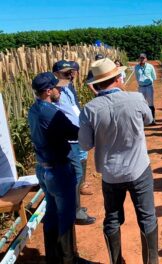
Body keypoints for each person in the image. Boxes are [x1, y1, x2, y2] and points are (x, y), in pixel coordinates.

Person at [78, 58, 158, 264]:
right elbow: (148, 120)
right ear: (116, 78)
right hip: (139, 169)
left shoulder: (90, 109)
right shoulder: (136, 98)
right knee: (147, 217)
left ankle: (117, 261)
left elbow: (85, 145)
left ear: (96, 84)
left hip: (111, 174)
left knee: (112, 219)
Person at [28, 72, 91, 264]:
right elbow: (75, 132)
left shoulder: (34, 109)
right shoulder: (52, 113)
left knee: (53, 212)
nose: (60, 89)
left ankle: (53, 258)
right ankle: (69, 258)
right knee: (66, 215)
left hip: (43, 168)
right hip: (58, 169)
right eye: (57, 87)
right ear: (48, 91)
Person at [52, 60, 96, 226]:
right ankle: (75, 211)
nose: (70, 75)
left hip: (78, 135)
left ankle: (77, 206)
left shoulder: (68, 87)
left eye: (70, 72)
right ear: (55, 74)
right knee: (74, 175)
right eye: (65, 73)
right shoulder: (55, 91)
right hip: (69, 139)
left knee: (80, 169)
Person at [68, 60, 94, 196]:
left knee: (83, 154)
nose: (72, 74)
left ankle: (82, 183)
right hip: (72, 129)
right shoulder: (64, 87)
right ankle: (79, 186)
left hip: (77, 125)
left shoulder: (70, 85)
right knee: (78, 156)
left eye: (73, 71)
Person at [135, 53, 158, 125]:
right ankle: (143, 120)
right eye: (141, 58)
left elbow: (154, 77)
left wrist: (149, 81)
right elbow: (136, 77)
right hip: (141, 87)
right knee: (141, 103)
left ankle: (153, 119)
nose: (142, 59)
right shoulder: (136, 67)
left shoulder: (150, 66)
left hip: (149, 86)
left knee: (150, 103)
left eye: (143, 58)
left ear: (146, 59)